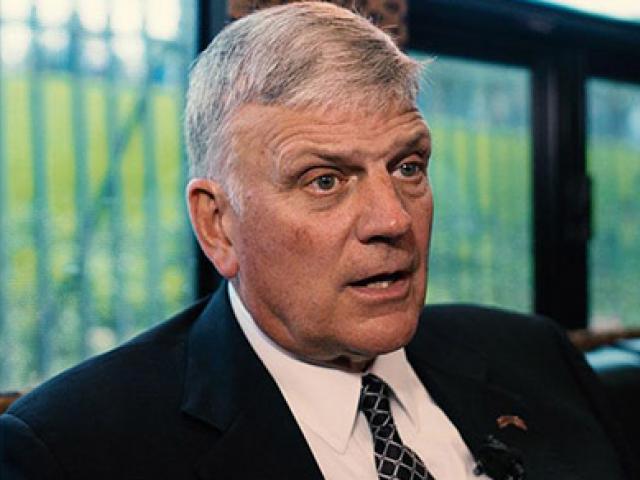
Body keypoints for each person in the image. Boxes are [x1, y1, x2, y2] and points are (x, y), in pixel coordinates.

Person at [0, 2, 632, 479]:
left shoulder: (536, 356)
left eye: (408, 167)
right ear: (218, 224)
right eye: (325, 180)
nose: (392, 220)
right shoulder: (71, 449)